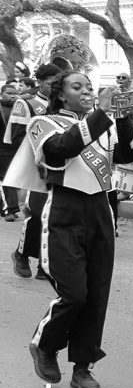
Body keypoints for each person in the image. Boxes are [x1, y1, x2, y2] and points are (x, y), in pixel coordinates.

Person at [4, 70, 133, 388]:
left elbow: (130, 154)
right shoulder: (45, 122)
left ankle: (83, 367)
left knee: (96, 296)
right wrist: (101, 113)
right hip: (64, 212)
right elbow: (62, 148)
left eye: (89, 86)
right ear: (62, 95)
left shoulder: (100, 123)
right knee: (74, 293)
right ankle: (45, 344)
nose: (86, 91)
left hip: (100, 212)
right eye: (77, 87)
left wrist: (122, 118)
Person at [7, 63, 62, 280]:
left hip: (60, 167)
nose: (55, 89)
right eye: (51, 84)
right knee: (38, 214)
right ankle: (21, 254)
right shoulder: (26, 103)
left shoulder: (63, 103)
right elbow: (18, 137)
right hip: (36, 166)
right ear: (40, 82)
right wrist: (41, 153)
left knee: (56, 216)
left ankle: (44, 264)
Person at [0, 84, 21, 221]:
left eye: (15, 93)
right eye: (9, 93)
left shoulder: (19, 108)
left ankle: (10, 209)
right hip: (2, 149)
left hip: (14, 149)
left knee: (9, 178)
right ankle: (9, 209)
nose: (13, 96)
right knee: (6, 178)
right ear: (2, 94)